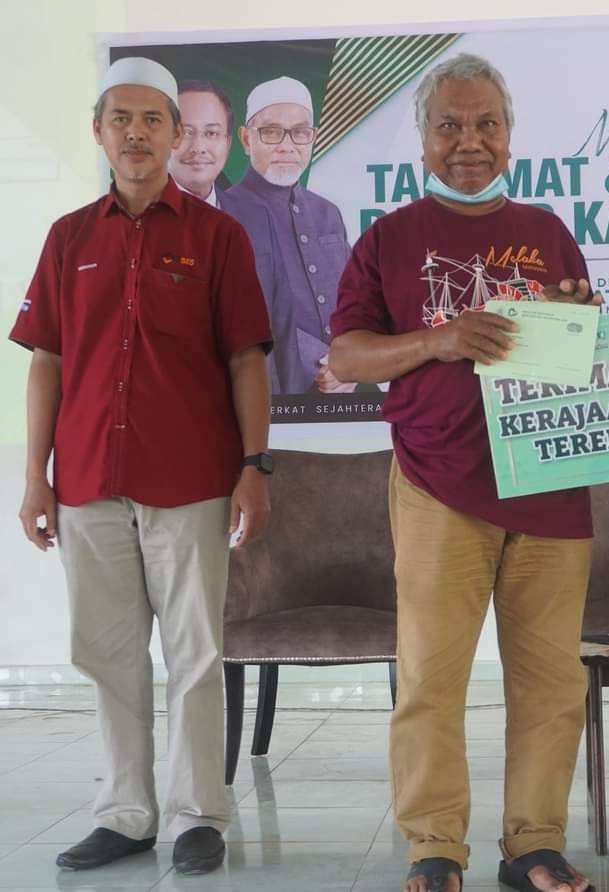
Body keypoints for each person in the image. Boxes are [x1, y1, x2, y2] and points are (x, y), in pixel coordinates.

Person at [329, 53, 598, 892]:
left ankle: (535, 846)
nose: (469, 141)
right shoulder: (390, 237)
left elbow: (584, 353)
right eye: (450, 125)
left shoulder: (548, 230)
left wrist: (593, 326)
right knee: (431, 679)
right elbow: (347, 355)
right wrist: (440, 339)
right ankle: (435, 847)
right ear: (424, 139)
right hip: (437, 483)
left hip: (550, 487)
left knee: (552, 682)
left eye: (486, 124)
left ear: (510, 136)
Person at [12, 57, 273, 876]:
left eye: (152, 119)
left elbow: (246, 359)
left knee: (195, 653)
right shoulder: (69, 239)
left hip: (191, 479)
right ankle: (125, 814)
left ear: (177, 134)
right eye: (120, 119)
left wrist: (255, 464)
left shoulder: (217, 237)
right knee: (107, 653)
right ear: (98, 131)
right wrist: (35, 476)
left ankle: (199, 816)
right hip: (88, 479)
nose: (136, 133)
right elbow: (47, 360)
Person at [221, 75, 352, 395]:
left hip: (346, 387)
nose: (287, 145)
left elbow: (355, 297)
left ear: (313, 138)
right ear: (246, 139)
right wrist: (323, 362)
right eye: (271, 131)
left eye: (300, 132)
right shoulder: (224, 214)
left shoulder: (327, 212)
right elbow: (238, 312)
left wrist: (352, 358)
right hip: (270, 391)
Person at [168, 79, 234, 207]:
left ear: (228, 143)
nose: (198, 147)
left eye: (211, 133)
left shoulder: (250, 213)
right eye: (185, 133)